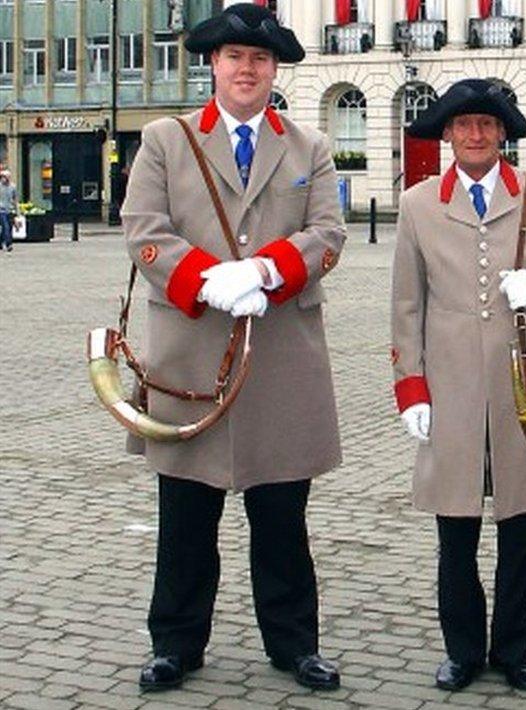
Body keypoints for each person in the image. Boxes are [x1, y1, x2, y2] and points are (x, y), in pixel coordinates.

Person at [120, 4, 346, 693]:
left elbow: (328, 233)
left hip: (281, 355)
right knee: (186, 516)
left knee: (282, 516)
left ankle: (294, 643)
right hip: (191, 354)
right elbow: (143, 228)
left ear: (274, 69)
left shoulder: (309, 146)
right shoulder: (167, 138)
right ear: (212, 65)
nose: (246, 70)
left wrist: (267, 270)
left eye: (259, 59)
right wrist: (208, 278)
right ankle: (176, 644)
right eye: (233, 58)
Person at [391, 79, 526, 693]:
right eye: (463, 125)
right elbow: (406, 303)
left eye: (487, 124)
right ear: (448, 134)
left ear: (503, 133)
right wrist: (411, 387)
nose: (475, 135)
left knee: (521, 525)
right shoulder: (418, 203)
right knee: (455, 528)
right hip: (449, 385)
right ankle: (461, 650)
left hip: (523, 386)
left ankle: (513, 650)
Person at [0, 169, 18, 252]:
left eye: (7, 177)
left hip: (10, 210)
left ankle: (1, 241)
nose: (5, 179)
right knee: (5, 226)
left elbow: (15, 199)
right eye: (3, 177)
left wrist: (17, 211)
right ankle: (9, 244)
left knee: (9, 228)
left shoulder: (13, 187)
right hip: (1, 210)